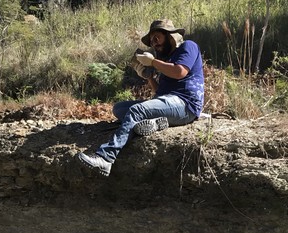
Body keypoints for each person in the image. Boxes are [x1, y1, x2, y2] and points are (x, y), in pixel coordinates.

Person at [78, 19, 204, 176]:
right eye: (151, 40)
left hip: (186, 105)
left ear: (169, 36)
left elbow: (180, 72)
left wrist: (153, 62)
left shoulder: (188, 46)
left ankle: (106, 158)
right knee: (119, 109)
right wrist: (148, 76)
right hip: (171, 103)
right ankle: (157, 123)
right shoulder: (164, 60)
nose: (154, 42)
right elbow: (160, 95)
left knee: (136, 111)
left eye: (157, 37)